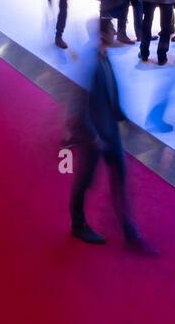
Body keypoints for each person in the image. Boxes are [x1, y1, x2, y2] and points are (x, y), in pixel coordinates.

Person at [65, 18, 152, 252]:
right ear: (103, 34)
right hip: (94, 137)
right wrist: (91, 136)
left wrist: (122, 117)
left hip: (109, 132)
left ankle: (130, 232)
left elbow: (110, 90)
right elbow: (79, 101)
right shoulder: (89, 60)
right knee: (85, 180)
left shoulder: (103, 55)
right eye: (112, 29)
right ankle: (78, 223)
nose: (115, 32)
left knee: (119, 179)